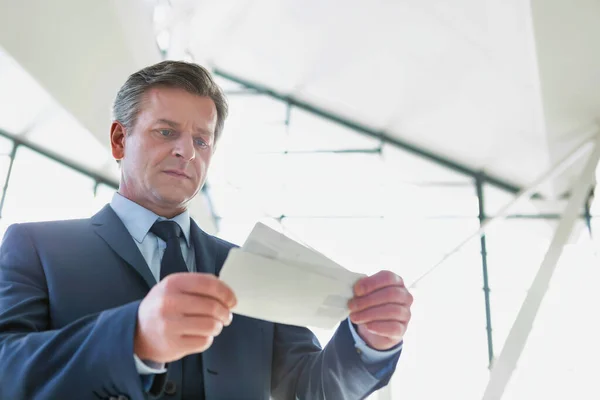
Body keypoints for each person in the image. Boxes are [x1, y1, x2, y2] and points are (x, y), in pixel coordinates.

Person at [0, 61, 413, 400]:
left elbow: (310, 388)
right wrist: (133, 339)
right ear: (119, 139)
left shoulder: (254, 267)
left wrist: (368, 342)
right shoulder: (36, 247)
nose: (186, 151)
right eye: (166, 132)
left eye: (202, 140)